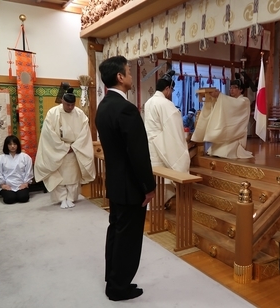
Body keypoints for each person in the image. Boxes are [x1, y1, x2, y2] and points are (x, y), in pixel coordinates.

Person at [96, 56, 156, 302]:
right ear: (120, 77)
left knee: (116, 233)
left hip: (116, 183)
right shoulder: (126, 108)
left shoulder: (103, 106)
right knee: (128, 238)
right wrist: (149, 187)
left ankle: (113, 280)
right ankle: (119, 287)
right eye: (129, 71)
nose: (132, 75)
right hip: (131, 187)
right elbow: (138, 154)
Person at [34, 88, 96, 209]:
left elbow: (85, 133)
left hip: (74, 149)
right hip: (58, 149)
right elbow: (49, 134)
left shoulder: (80, 114)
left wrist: (75, 147)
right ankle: (62, 198)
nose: (70, 107)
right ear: (62, 101)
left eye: (72, 104)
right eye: (68, 104)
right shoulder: (53, 113)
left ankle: (70, 198)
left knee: (72, 176)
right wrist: (62, 147)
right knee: (60, 177)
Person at [144, 70, 190, 206]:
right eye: (172, 89)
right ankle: (158, 207)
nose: (171, 93)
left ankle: (154, 208)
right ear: (167, 89)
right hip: (161, 146)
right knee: (163, 178)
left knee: (156, 179)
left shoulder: (149, 102)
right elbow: (173, 129)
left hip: (151, 145)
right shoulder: (165, 104)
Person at [191, 76, 253, 159]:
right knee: (217, 149)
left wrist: (219, 96)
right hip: (228, 131)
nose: (231, 90)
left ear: (241, 90)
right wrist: (214, 98)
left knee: (225, 151)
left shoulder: (245, 101)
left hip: (236, 134)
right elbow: (226, 106)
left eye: (234, 88)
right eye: (230, 88)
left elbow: (234, 104)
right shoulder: (229, 100)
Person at [0, 135, 33, 204]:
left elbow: (28, 171)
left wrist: (26, 183)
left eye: (14, 144)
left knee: (23, 198)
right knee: (9, 199)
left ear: (18, 145)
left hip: (21, 184)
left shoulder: (25, 157)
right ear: (6, 145)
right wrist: (2, 185)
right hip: (7, 185)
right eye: (10, 144)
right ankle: (10, 194)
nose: (12, 146)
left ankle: (20, 193)